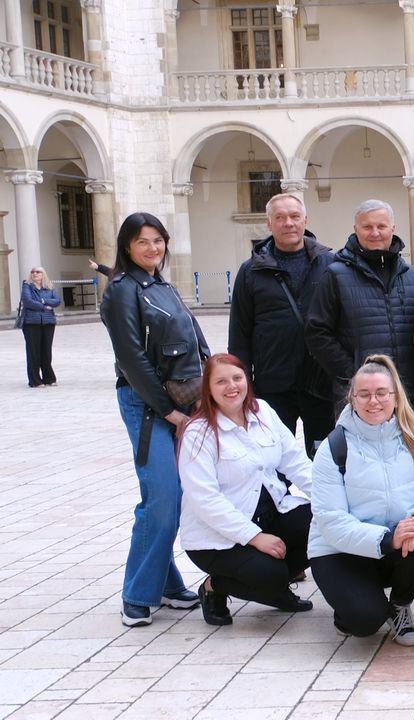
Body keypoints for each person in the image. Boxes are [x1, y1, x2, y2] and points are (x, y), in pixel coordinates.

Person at [101, 212, 210, 626]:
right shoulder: (121, 291)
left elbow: (196, 341)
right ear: (127, 246)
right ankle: (137, 593)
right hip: (148, 405)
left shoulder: (163, 285)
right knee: (161, 496)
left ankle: (165, 583)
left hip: (182, 402)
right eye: (143, 242)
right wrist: (168, 411)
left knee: (175, 496)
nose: (152, 249)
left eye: (158, 241)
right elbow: (130, 359)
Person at [308, 355, 414, 645]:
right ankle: (352, 606)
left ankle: (400, 605)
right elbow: (331, 521)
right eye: (364, 394)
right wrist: (389, 540)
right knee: (364, 622)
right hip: (339, 551)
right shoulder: (334, 447)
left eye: (381, 393)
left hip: (396, 545)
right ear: (352, 398)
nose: (373, 401)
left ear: (396, 397)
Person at [177, 354, 314, 626]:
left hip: (270, 516)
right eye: (221, 382)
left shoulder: (263, 411)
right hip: (217, 537)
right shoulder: (198, 433)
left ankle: (273, 589)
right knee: (270, 574)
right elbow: (206, 500)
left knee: (323, 526)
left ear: (247, 381)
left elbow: (296, 462)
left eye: (237, 378)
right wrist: (254, 537)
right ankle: (214, 587)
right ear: (209, 388)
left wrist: (336, 504)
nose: (232, 387)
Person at [229, 194, 336, 457]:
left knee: (324, 458)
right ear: (269, 224)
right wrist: (245, 384)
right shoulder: (250, 271)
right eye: (280, 217)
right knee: (273, 458)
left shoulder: (330, 264)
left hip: (321, 382)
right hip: (273, 383)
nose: (288, 223)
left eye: (294, 216)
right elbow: (240, 333)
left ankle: (321, 500)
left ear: (305, 221)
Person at [306, 200, 414, 414]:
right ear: (355, 230)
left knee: (413, 447)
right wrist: (354, 373)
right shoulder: (336, 274)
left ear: (392, 229)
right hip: (360, 394)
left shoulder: (411, 276)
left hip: (407, 393)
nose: (375, 233)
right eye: (367, 227)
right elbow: (317, 333)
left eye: (381, 226)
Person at [20, 266, 60, 388]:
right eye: (32, 272)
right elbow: (28, 301)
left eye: (38, 272)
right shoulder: (27, 286)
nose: (34, 274)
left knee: (46, 351)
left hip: (48, 322)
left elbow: (57, 301)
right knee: (33, 352)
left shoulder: (49, 287)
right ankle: (35, 380)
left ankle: (49, 378)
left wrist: (41, 300)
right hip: (32, 323)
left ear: (43, 275)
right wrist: (44, 306)